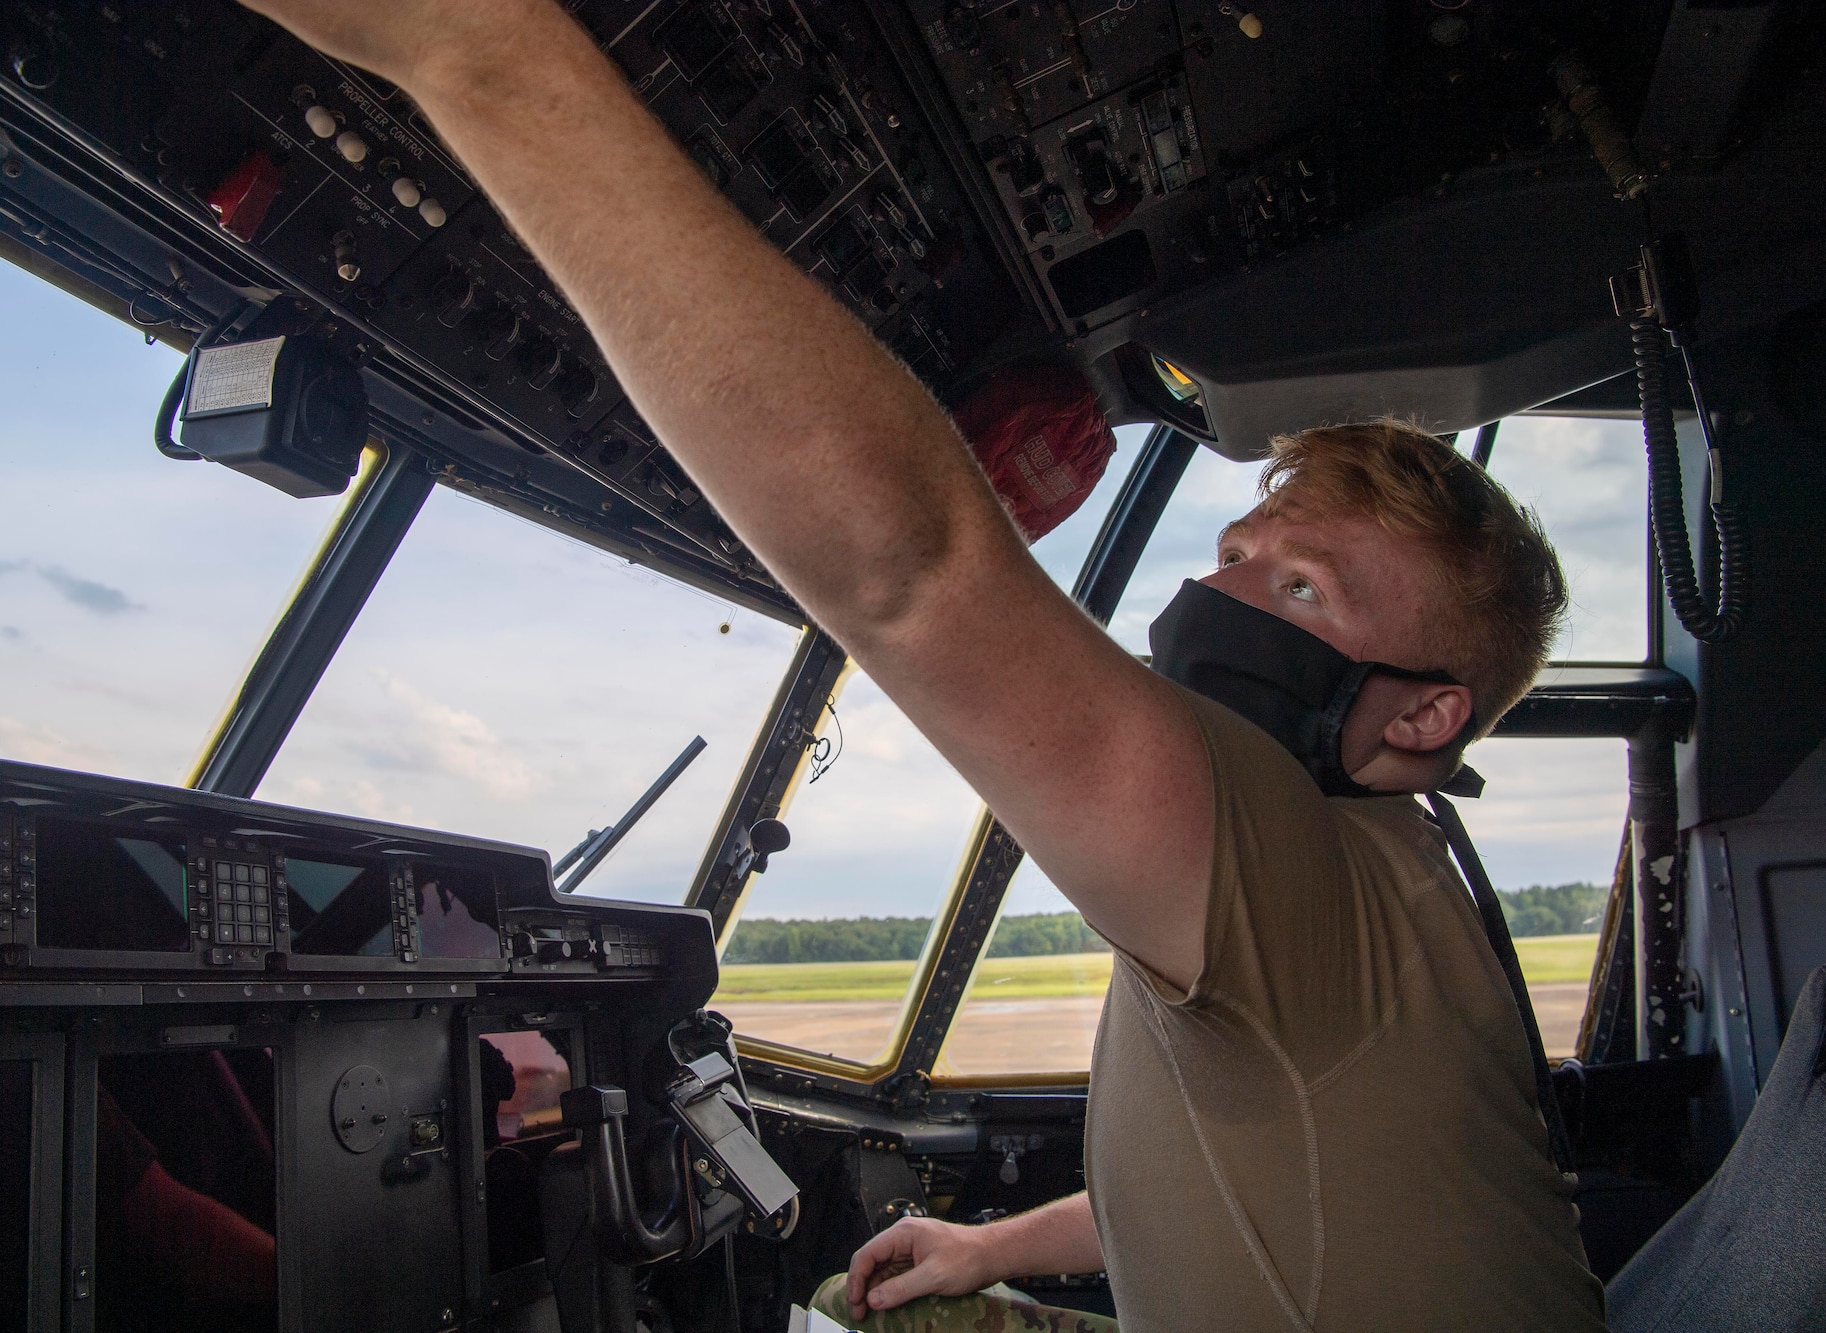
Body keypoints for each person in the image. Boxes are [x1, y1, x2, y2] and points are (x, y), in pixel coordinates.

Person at [233, 4, 1604, 1326]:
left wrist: (471, 46)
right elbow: (1255, 1166)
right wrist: (993, 1241)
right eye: (1238, 551)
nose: (1218, 593)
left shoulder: (1299, 868)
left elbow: (915, 573)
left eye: (1299, 586)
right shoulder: (1386, 883)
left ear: (1428, 711)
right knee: (864, 1303)